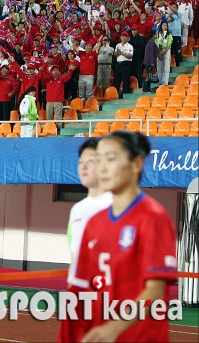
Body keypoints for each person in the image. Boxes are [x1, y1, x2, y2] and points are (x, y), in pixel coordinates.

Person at [61, 131, 177, 342]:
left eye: (111, 159)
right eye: (100, 159)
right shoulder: (94, 222)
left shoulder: (153, 217)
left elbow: (156, 292)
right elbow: (84, 285)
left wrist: (114, 328)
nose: (102, 167)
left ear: (136, 165)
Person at [64, 139, 113, 289]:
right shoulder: (77, 211)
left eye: (90, 161)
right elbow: (75, 256)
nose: (84, 166)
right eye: (81, 161)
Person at [112, 31, 134, 98]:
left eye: (125, 37)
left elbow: (130, 56)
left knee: (126, 80)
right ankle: (115, 95)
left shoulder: (129, 46)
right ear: (120, 37)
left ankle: (125, 96)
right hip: (119, 64)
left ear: (128, 38)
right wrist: (118, 53)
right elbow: (115, 55)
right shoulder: (118, 45)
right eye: (123, 36)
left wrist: (121, 53)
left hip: (126, 64)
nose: (124, 38)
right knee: (116, 80)